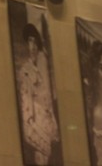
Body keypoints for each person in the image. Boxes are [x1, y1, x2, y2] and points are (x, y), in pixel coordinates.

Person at [18, 23, 60, 165]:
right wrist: (29, 122)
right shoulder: (25, 70)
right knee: (40, 156)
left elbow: (51, 94)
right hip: (36, 119)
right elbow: (26, 100)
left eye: (35, 41)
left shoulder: (43, 65)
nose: (33, 46)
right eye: (30, 41)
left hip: (48, 119)